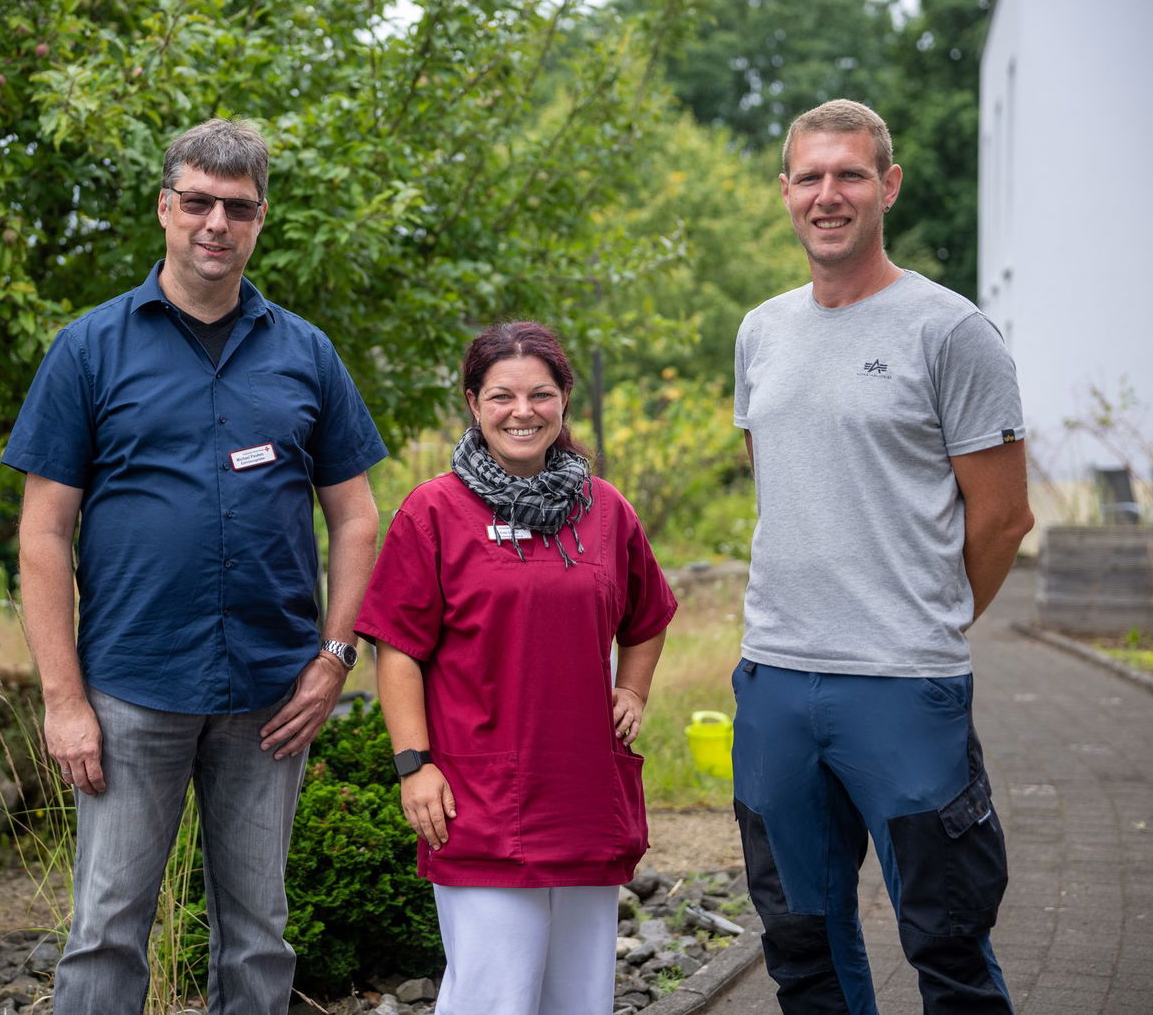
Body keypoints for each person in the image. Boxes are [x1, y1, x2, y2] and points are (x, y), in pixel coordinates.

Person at [3, 118, 387, 1015]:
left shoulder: (306, 353)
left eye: (238, 208)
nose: (217, 223)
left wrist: (335, 658)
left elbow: (358, 517)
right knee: (105, 931)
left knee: (258, 938)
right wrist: (63, 702)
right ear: (165, 208)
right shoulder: (89, 350)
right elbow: (43, 536)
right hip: (133, 689)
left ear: (260, 221)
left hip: (271, 695)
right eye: (199, 203)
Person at [732, 99, 1034, 1014]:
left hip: (905, 682)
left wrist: (929, 617)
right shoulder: (761, 331)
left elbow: (1003, 519)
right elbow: (775, 479)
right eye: (811, 176)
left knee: (945, 937)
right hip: (776, 679)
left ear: (887, 186)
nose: (830, 195)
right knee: (799, 936)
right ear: (786, 191)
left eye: (850, 174)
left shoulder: (951, 332)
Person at [355, 321, 677, 1015]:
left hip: (584, 798)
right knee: (493, 997)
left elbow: (648, 617)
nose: (522, 411)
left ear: (564, 400)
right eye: (502, 395)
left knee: (580, 1000)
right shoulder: (433, 512)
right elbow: (398, 650)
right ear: (474, 404)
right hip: (479, 802)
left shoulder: (605, 509)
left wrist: (633, 689)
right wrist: (415, 766)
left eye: (540, 393)